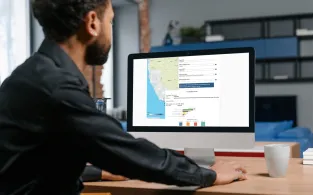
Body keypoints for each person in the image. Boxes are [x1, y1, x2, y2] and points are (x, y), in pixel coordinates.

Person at [0, 0, 247, 194]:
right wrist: (208, 174)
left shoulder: (30, 75)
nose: (111, 30)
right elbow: (132, 156)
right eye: (111, 21)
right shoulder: (57, 89)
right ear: (93, 23)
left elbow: (33, 165)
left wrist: (98, 172)